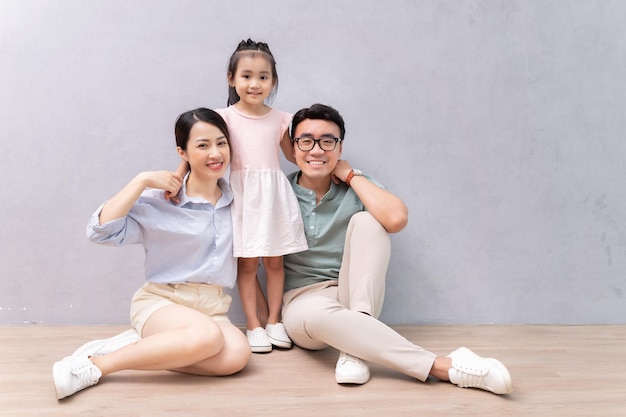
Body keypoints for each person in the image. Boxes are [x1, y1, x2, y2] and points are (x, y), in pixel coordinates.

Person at [279, 103, 513, 395]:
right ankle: (444, 366)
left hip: (354, 294)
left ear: (339, 148)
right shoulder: (279, 191)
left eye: (328, 141)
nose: (317, 150)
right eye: (306, 140)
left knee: (369, 221)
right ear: (294, 147)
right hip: (304, 302)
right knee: (316, 314)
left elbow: (396, 219)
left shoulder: (356, 186)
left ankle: (355, 348)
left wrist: (351, 176)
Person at [52, 108, 251, 400]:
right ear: (182, 152)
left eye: (221, 143)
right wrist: (141, 181)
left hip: (213, 308)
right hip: (163, 302)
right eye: (203, 145)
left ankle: (150, 347)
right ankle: (98, 364)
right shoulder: (160, 201)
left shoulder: (238, 198)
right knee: (207, 337)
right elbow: (100, 232)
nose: (215, 153)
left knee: (237, 356)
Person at [175, 39, 307, 353]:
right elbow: (197, 150)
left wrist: (324, 156)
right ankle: (254, 326)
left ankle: (274, 320)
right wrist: (177, 179)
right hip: (243, 197)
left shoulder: (281, 119)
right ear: (231, 78)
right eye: (246, 76)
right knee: (247, 266)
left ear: (273, 81)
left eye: (263, 76)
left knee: (276, 263)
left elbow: (292, 157)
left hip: (274, 196)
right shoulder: (224, 118)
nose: (255, 83)